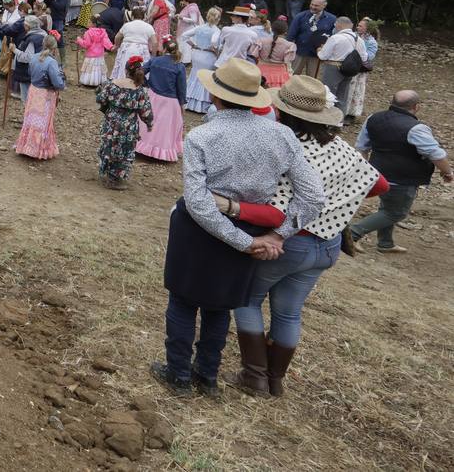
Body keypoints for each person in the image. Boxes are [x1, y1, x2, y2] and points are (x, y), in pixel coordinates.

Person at [149, 58, 325, 396]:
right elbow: (313, 196)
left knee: (183, 302)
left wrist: (246, 242)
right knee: (221, 304)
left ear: (215, 97)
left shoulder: (202, 136)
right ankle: (207, 376)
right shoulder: (282, 136)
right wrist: (274, 235)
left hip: (200, 230)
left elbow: (199, 202)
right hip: (249, 224)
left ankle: (178, 374)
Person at [221, 76, 385, 398]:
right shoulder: (340, 148)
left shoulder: (286, 149)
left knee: (246, 299)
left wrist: (231, 207)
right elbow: (379, 186)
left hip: (288, 242)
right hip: (327, 245)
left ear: (282, 113)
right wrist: (337, 202)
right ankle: (276, 380)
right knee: (289, 311)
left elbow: (276, 213)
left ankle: (254, 376)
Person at [349, 90, 452, 254]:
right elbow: (436, 154)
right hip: (403, 179)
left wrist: (364, 170)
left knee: (388, 207)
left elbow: (362, 147)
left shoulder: (373, 118)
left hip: (378, 175)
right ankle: (353, 232)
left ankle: (385, 243)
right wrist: (447, 172)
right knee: (395, 213)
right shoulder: (416, 129)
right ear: (416, 107)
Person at [95, 57, 155, 189]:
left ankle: (107, 172)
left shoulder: (113, 84)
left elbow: (100, 98)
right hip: (129, 125)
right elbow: (145, 112)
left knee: (109, 145)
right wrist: (149, 124)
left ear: (126, 70)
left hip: (111, 122)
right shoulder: (140, 90)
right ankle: (115, 179)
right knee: (124, 149)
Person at [14, 35, 65, 159]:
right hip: (45, 93)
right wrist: (62, 83)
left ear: (43, 44)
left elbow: (30, 73)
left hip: (33, 90)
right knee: (42, 120)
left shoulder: (34, 57)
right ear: (54, 48)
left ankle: (26, 145)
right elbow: (58, 83)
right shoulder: (52, 62)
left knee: (31, 118)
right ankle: (38, 149)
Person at [136, 40, 187, 161]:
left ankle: (142, 145)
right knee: (165, 126)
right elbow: (182, 88)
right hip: (170, 100)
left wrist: (146, 84)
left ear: (164, 49)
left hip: (152, 95)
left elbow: (139, 72)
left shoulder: (155, 60)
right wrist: (182, 104)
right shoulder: (179, 66)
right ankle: (160, 152)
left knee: (147, 121)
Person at [316, 16, 359, 108]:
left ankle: (326, 118)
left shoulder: (336, 38)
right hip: (349, 68)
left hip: (333, 67)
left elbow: (322, 56)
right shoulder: (357, 38)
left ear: (339, 25)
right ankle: (339, 120)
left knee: (328, 94)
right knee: (342, 96)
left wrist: (319, 50)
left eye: (335, 25)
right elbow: (364, 56)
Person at [184, 8, 222, 113]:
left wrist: (193, 45)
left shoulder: (199, 27)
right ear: (218, 18)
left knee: (194, 75)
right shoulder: (216, 30)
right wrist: (216, 50)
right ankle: (201, 104)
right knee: (205, 77)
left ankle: (188, 101)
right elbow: (214, 42)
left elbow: (184, 35)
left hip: (197, 54)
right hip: (208, 56)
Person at [286, 0, 335, 74]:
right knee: (293, 75)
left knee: (311, 79)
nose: (312, 7)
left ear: (324, 6)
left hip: (316, 54)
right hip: (300, 51)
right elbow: (291, 35)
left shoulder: (332, 19)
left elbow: (333, 37)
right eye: (312, 4)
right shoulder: (300, 16)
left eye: (316, 5)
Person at [343, 17, 379, 122]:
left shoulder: (371, 41)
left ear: (367, 29)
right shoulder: (353, 35)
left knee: (356, 90)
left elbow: (370, 56)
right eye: (357, 25)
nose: (357, 27)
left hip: (359, 69)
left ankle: (351, 114)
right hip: (348, 66)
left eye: (360, 26)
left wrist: (357, 54)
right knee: (346, 88)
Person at [111, 6, 155, 78]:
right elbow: (155, 42)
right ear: (144, 16)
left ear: (132, 16)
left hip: (127, 48)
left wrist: (116, 45)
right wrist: (153, 56)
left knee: (124, 66)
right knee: (140, 68)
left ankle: (122, 83)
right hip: (142, 50)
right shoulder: (149, 26)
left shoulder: (127, 25)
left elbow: (117, 37)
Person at [251, 18, 296, 88]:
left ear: (271, 29)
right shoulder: (289, 45)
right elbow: (287, 61)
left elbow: (254, 55)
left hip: (261, 72)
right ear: (285, 32)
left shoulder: (261, 41)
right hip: (279, 75)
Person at [76, 21, 113, 86]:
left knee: (90, 68)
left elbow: (86, 44)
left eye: (89, 22)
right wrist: (111, 47)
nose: (87, 23)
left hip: (91, 55)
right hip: (99, 55)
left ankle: (88, 82)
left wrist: (79, 40)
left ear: (93, 24)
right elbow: (106, 41)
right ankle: (99, 81)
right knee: (98, 68)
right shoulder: (103, 32)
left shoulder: (88, 32)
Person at [175, 0, 203, 66]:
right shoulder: (189, 6)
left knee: (186, 45)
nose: (182, 0)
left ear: (187, 0)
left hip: (188, 29)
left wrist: (182, 18)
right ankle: (183, 59)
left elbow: (194, 20)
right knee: (183, 44)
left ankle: (185, 61)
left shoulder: (192, 8)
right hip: (185, 28)